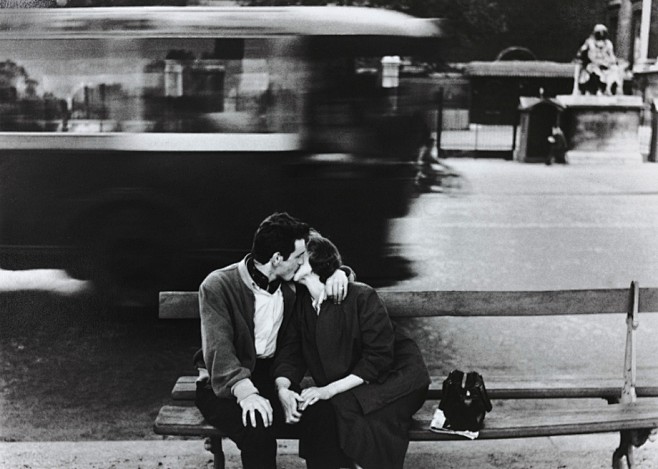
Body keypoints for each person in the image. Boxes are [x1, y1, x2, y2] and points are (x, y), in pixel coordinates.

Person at [195, 212, 352, 469]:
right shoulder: (218, 285)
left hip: (270, 378)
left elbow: (325, 266)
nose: (304, 263)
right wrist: (246, 394)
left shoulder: (290, 285)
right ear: (278, 259)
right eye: (299, 257)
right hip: (222, 386)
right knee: (258, 428)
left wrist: (340, 274)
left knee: (321, 414)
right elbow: (219, 351)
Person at [274, 235, 430, 469]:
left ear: (315, 263)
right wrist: (283, 388)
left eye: (299, 257)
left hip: (395, 379)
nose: (291, 261)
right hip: (353, 382)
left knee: (348, 414)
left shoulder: (361, 296)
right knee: (316, 409)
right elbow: (291, 352)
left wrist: (327, 390)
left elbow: (378, 359)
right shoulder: (302, 302)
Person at [576, 24, 618, 95]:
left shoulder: (608, 43)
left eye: (603, 32)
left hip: (605, 64)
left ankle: (608, 89)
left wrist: (612, 61)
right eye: (599, 32)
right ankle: (595, 89)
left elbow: (611, 55)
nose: (601, 34)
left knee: (615, 69)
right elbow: (581, 52)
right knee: (593, 71)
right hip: (592, 64)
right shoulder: (589, 42)